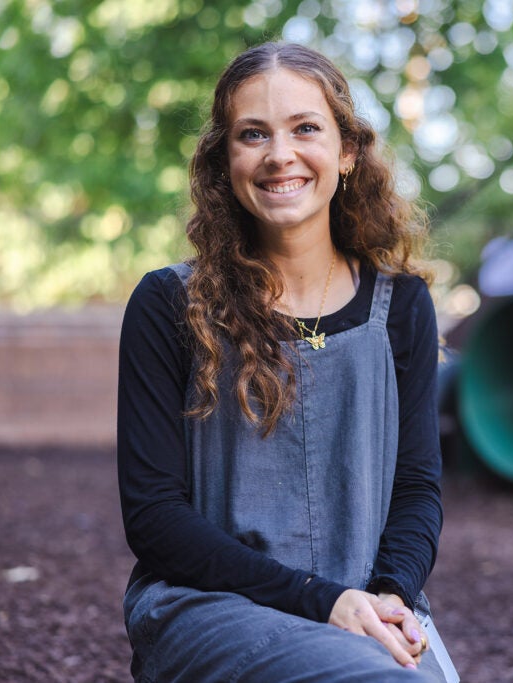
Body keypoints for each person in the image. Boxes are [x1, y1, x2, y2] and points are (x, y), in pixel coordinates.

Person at [116, 42, 458, 682]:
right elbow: (155, 518)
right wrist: (321, 602)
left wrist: (390, 595)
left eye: (306, 128)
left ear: (348, 152)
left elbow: (416, 488)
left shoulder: (403, 304)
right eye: (253, 134)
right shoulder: (170, 304)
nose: (280, 155)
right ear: (225, 161)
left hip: (367, 605)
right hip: (211, 608)